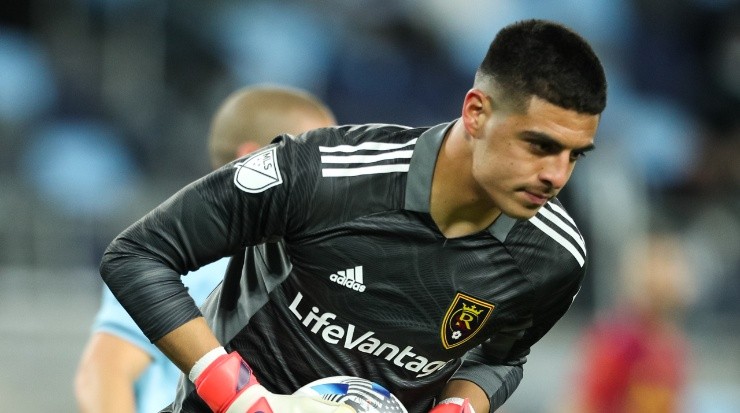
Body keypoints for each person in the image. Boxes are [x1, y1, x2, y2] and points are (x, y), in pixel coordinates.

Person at [99, 19, 607, 413]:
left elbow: (501, 355)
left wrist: (460, 405)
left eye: (574, 154)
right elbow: (138, 255)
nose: (556, 176)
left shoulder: (552, 258)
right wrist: (238, 396)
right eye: (539, 145)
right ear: (476, 112)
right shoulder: (323, 174)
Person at [74, 85, 337, 413]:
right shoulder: (167, 262)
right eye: (316, 160)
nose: (333, 176)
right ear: (255, 160)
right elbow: (105, 370)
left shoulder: (319, 265)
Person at [559, 231, 695, 413]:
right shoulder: (618, 340)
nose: (670, 276)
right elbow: (580, 404)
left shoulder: (672, 346)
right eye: (660, 265)